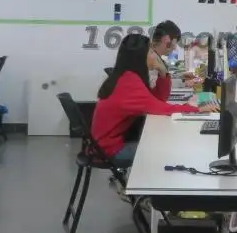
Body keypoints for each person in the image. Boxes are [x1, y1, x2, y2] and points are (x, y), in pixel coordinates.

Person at [91, 33, 215, 167]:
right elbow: (161, 108)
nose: (155, 56)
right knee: (165, 149)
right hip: (109, 151)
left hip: (106, 145)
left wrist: (163, 72)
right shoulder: (129, 82)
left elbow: (158, 99)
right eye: (151, 52)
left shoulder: (126, 75)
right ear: (140, 57)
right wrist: (198, 109)